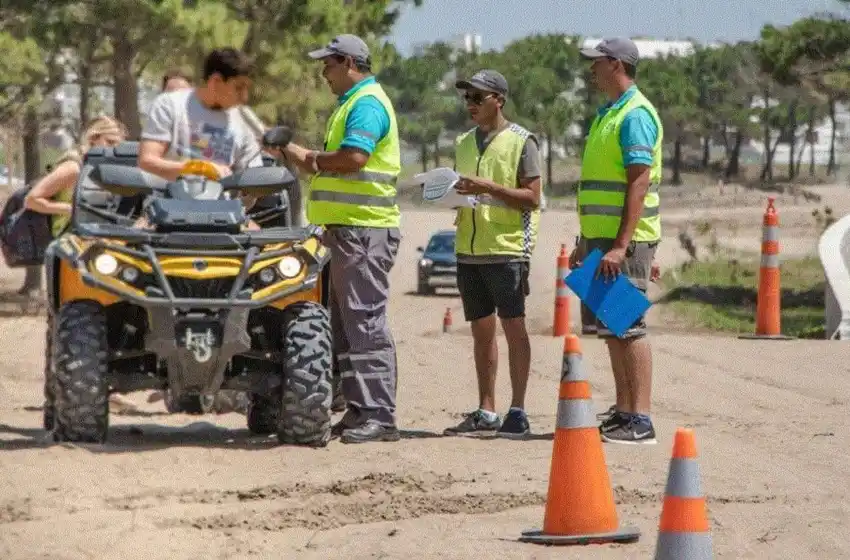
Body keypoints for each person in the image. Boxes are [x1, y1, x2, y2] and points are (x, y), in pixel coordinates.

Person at [270, 34, 402, 444]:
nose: (322, 74)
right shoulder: (351, 104)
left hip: (362, 232)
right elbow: (327, 167)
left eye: (327, 65)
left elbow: (353, 159)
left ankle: (379, 415)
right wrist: (289, 150)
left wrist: (312, 159)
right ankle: (360, 409)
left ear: (347, 62)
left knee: (365, 324)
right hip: (346, 234)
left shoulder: (366, 104)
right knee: (344, 328)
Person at [140, 48, 264, 415]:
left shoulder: (239, 122)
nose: (244, 97)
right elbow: (147, 159)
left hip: (226, 220)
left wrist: (254, 188)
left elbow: (253, 177)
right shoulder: (172, 106)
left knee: (281, 269)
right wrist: (190, 166)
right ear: (216, 82)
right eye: (238, 88)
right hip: (164, 214)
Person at [571, 37, 663, 445]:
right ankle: (624, 411)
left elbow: (638, 181)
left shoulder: (635, 114)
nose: (591, 70)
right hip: (600, 239)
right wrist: (585, 240)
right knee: (611, 327)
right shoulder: (608, 113)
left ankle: (640, 418)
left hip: (622, 242)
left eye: (596, 63)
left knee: (629, 326)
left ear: (615, 64)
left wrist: (621, 245)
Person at [442, 70, 542, 438]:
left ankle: (518, 410)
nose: (469, 105)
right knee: (481, 333)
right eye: (466, 98)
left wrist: (487, 186)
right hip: (469, 249)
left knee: (514, 327)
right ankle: (487, 410)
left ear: (498, 100)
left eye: (477, 98)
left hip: (506, 249)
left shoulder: (522, 141)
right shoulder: (464, 142)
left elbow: (532, 198)